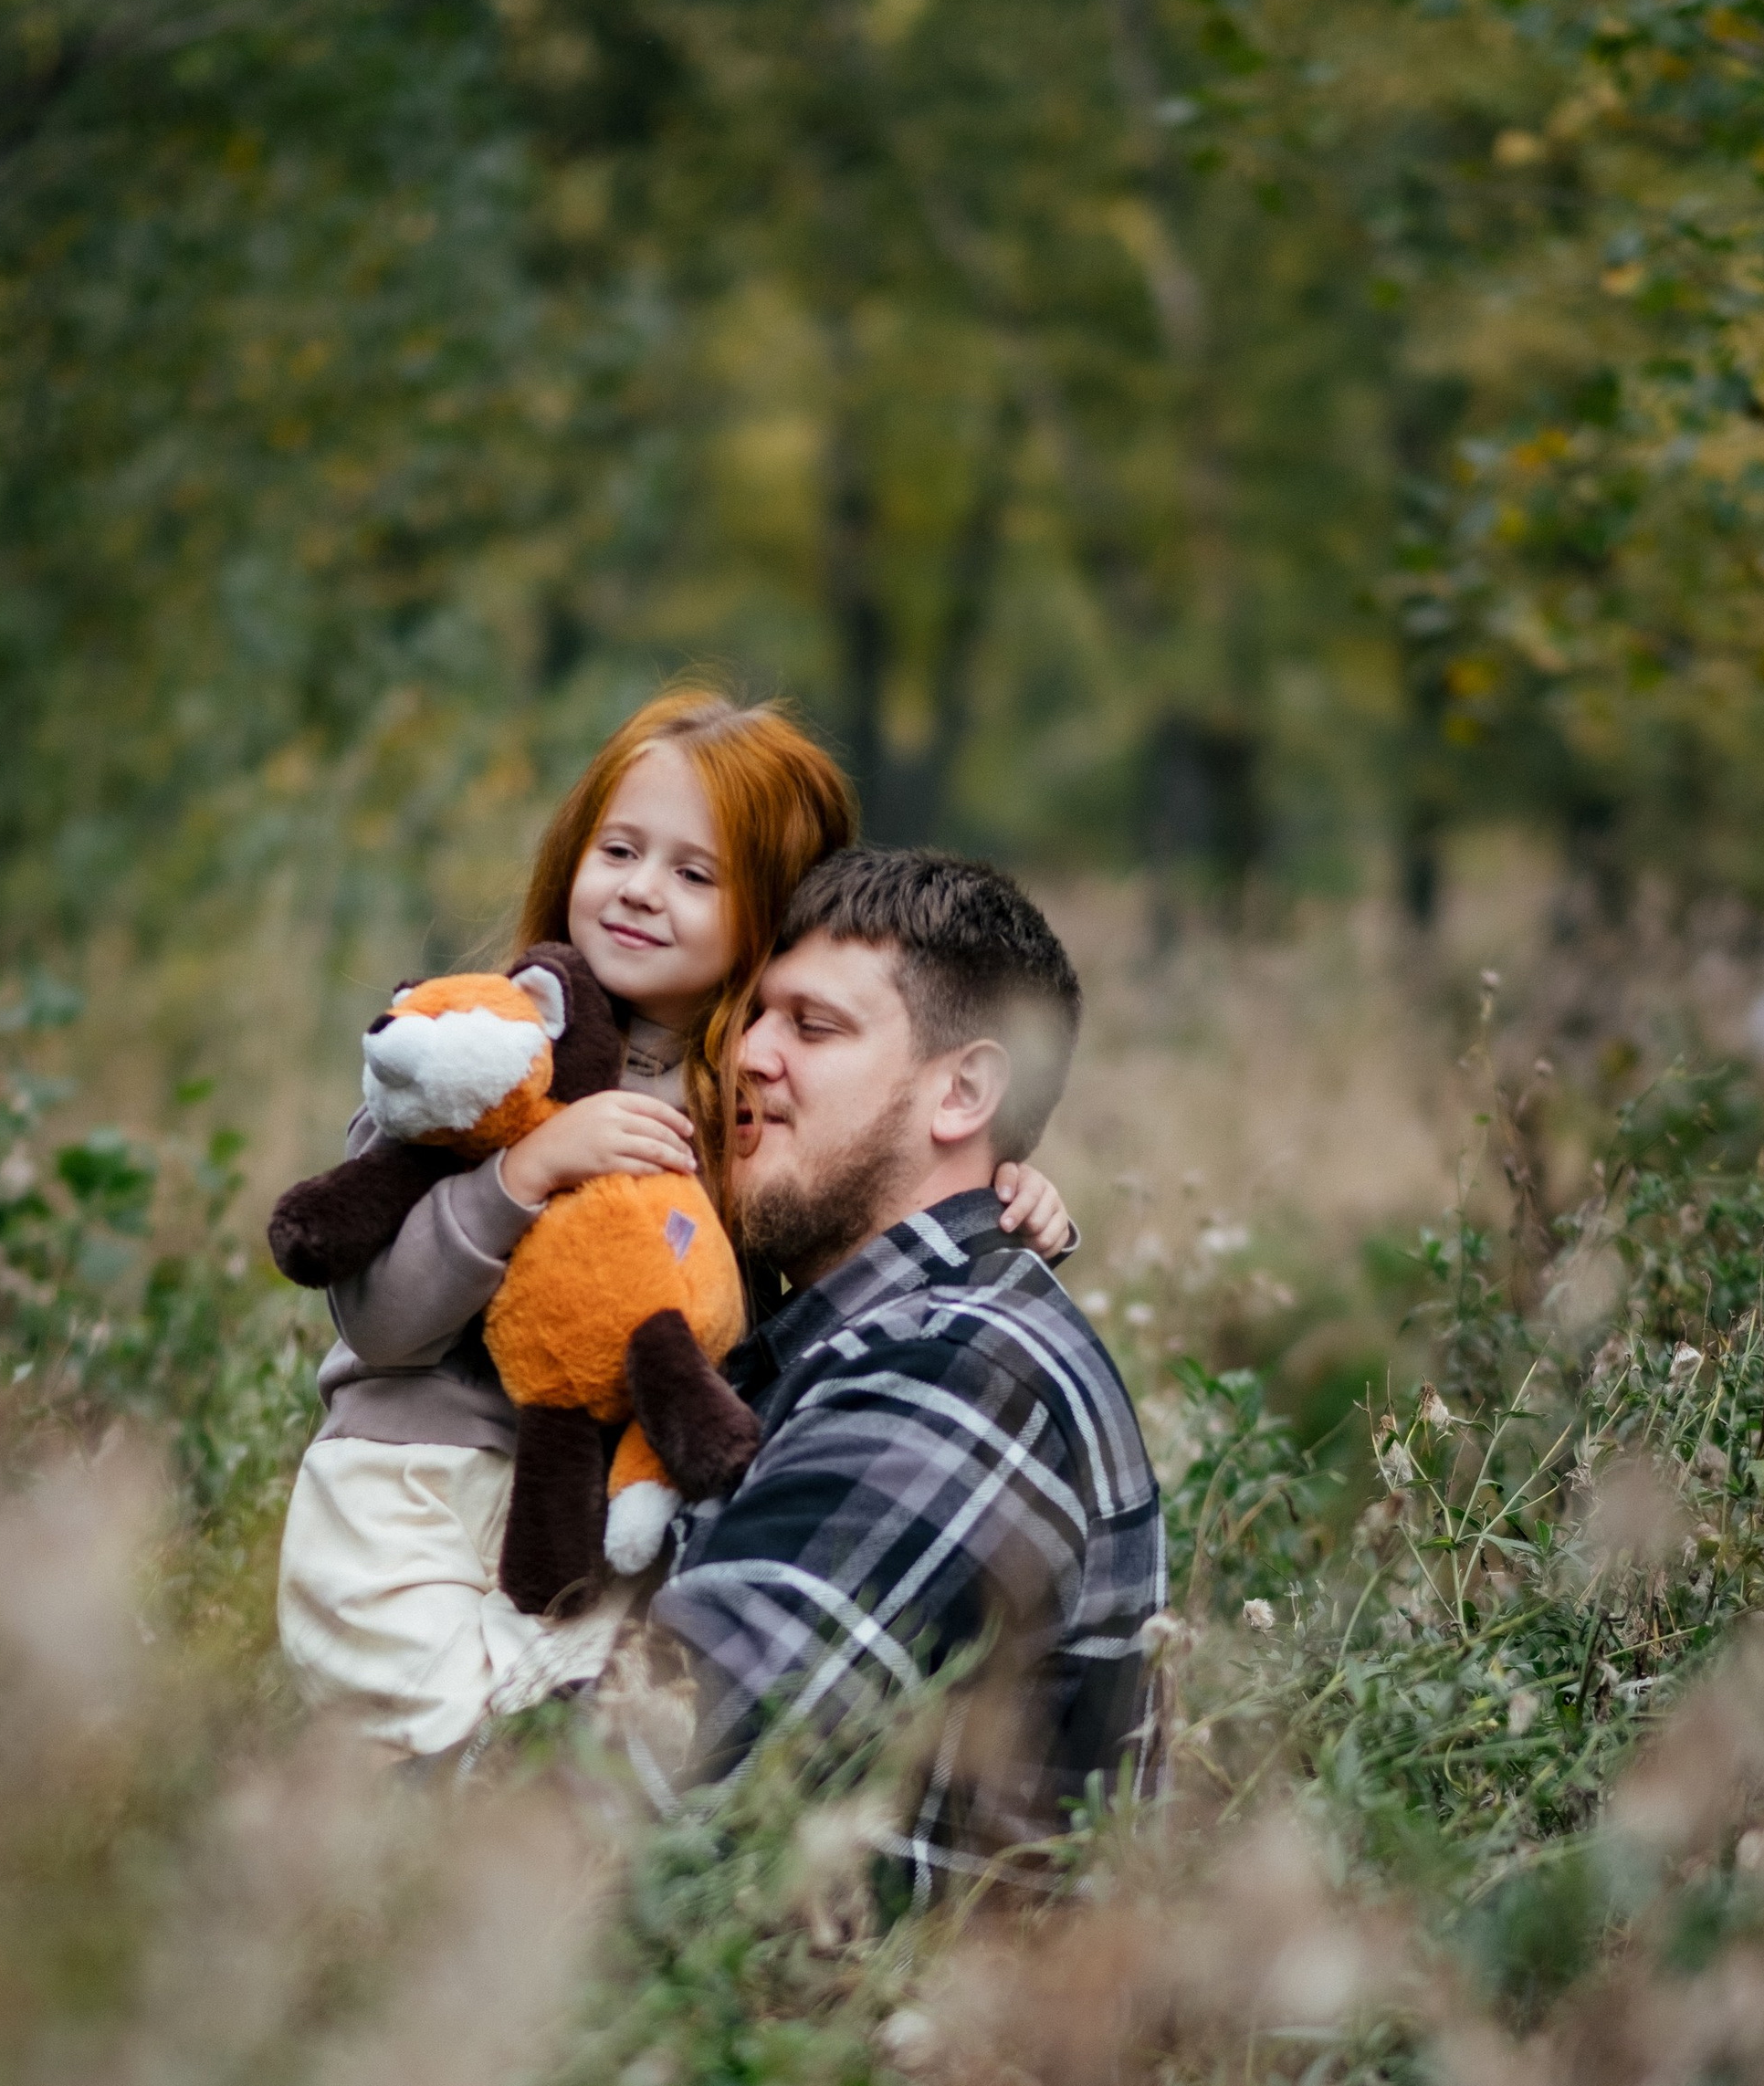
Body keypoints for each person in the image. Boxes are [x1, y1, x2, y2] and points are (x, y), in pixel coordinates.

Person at [275, 692, 1075, 1757]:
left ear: (771, 916)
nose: (642, 891)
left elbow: (832, 1226)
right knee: (441, 1775)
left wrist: (1011, 1197)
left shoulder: (740, 1102)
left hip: (594, 1528)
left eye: (696, 875)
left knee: (573, 1767)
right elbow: (377, 1324)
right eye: (619, 850)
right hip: (413, 1491)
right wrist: (518, 1174)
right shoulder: (485, 1044)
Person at [649, 845, 1165, 1902]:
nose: (745, 1054)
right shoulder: (811, 1338)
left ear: (962, 1090)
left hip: (853, 2057)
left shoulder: (965, 1370)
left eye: (812, 1026)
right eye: (751, 1016)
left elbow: (672, 1753)